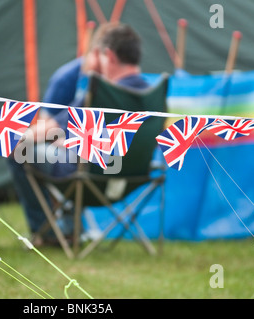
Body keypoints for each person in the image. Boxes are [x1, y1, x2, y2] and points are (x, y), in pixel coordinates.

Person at [8, 23, 149, 246]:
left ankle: (47, 233)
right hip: (133, 177)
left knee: (19, 151)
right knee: (66, 149)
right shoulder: (152, 94)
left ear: (109, 56)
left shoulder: (102, 93)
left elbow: (48, 129)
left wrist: (12, 138)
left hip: (90, 176)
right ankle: (69, 229)